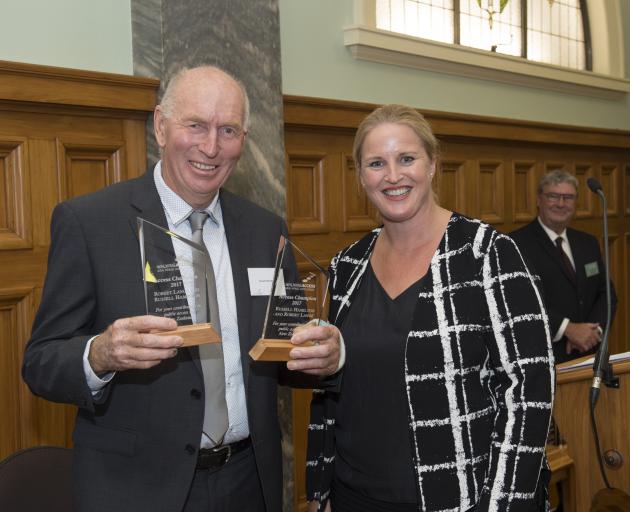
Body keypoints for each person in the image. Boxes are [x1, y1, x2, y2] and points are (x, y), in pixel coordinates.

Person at [22, 65, 341, 512]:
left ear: (244, 141)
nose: (211, 147)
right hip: (136, 488)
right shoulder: (90, 223)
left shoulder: (266, 231)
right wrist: (99, 354)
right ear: (161, 126)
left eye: (228, 130)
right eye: (196, 125)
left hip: (247, 482)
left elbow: (283, 354)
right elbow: (40, 362)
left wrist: (323, 356)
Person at [306, 105, 554, 512]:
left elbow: (529, 392)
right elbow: (329, 391)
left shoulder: (487, 254)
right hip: (353, 496)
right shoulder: (346, 266)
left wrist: (501, 504)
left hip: (457, 498)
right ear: (359, 176)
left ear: (433, 164)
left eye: (407, 158)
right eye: (376, 163)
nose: (392, 175)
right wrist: (319, 489)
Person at [510, 169, 617, 364]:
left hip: (589, 354)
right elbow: (518, 301)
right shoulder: (516, 244)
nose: (561, 203)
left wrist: (593, 332)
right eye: (553, 196)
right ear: (538, 200)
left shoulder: (588, 242)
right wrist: (567, 329)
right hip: (544, 357)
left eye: (568, 197)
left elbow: (606, 294)